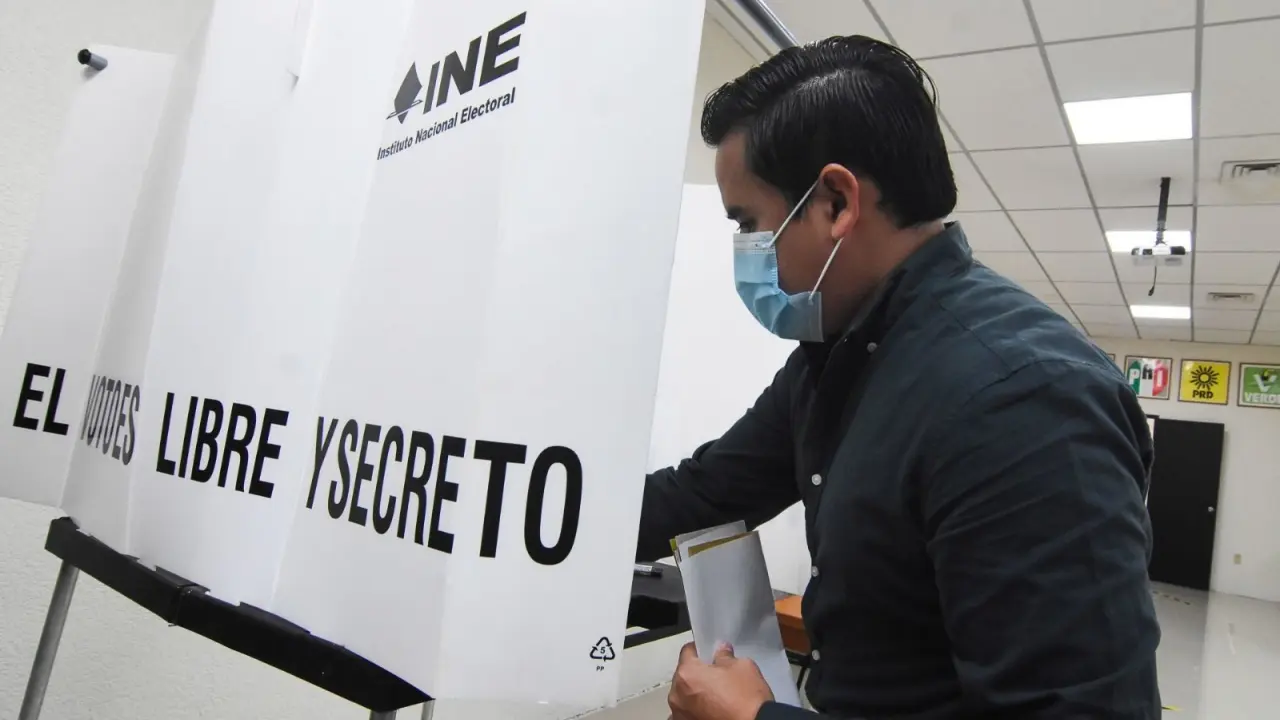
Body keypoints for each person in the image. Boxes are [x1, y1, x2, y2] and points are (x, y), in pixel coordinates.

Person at [637, 35, 1160, 720]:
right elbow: (707, 491)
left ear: (836, 203)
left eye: (749, 224)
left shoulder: (1023, 401)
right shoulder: (835, 360)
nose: (745, 253)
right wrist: (537, 515)